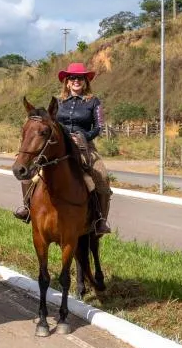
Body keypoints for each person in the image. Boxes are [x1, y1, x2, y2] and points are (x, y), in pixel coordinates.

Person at [15, 62, 112, 234]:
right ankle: (27, 208)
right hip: (59, 146)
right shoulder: (58, 102)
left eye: (80, 78)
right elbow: (49, 124)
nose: (76, 81)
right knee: (31, 172)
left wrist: (84, 136)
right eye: (73, 78)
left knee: (102, 176)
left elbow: (98, 127)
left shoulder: (94, 102)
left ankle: (100, 220)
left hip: (84, 146)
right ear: (67, 82)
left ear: (85, 81)